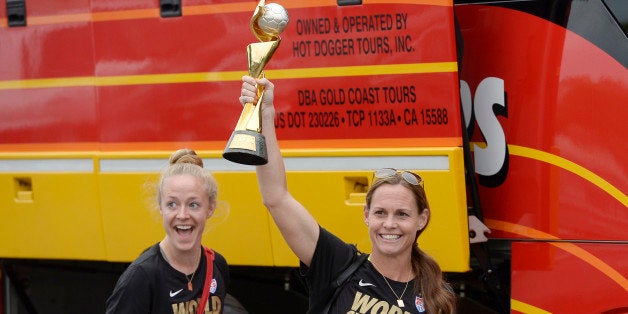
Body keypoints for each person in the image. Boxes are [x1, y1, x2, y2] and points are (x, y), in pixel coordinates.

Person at [239, 75, 457, 313]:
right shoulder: (339, 265)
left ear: (422, 219)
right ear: (366, 215)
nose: (389, 224)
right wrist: (265, 114)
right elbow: (276, 197)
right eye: (380, 212)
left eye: (402, 214)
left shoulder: (435, 296)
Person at [106, 148, 229, 314]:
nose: (183, 215)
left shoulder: (216, 265)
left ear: (210, 208)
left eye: (193, 204)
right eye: (172, 204)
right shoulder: (141, 277)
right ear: (160, 208)